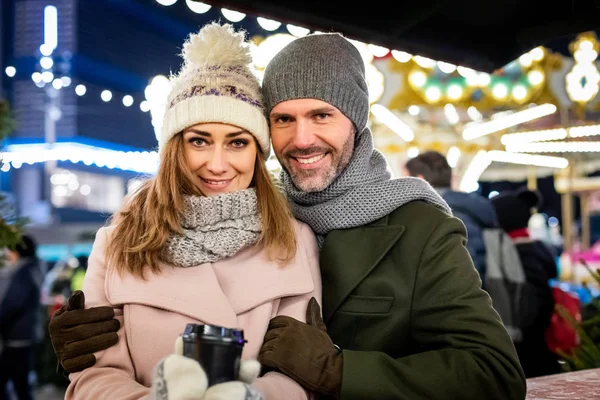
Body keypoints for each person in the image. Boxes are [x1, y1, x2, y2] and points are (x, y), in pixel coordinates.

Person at [49, 31, 527, 400]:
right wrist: (76, 349)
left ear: (356, 122)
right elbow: (101, 368)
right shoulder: (266, 209)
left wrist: (339, 372)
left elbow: (494, 373)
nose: (301, 140)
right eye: (283, 118)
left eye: (322, 115)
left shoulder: (416, 227)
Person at [55, 23, 321, 400]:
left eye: (237, 143)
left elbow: (301, 372)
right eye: (199, 141)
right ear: (174, 150)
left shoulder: (294, 240)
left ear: (257, 153)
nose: (217, 164)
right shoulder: (118, 242)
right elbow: (95, 377)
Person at [491, 188, 561, 378]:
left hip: (530, 345)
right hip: (540, 340)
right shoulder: (536, 248)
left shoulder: (517, 254)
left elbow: (531, 303)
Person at [404, 150, 499, 283]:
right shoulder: (465, 208)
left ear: (419, 180)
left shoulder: (440, 214)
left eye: (405, 178)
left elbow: (464, 275)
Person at [0, 234, 44, 400]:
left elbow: (12, 304)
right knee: (21, 383)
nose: (8, 254)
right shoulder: (32, 269)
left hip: (18, 336)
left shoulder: (23, 273)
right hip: (24, 334)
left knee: (17, 384)